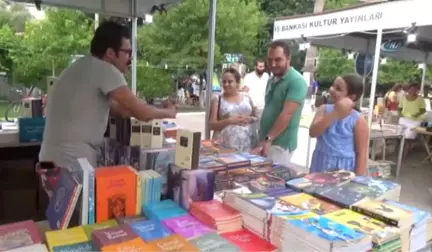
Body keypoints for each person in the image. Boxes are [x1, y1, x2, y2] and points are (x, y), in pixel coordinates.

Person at [39, 21, 177, 168]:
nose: (130, 59)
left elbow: (120, 109)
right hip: (71, 164)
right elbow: (141, 113)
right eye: (127, 52)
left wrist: (152, 107)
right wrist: (170, 112)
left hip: (49, 159)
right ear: (110, 53)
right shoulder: (106, 70)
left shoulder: (81, 66)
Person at [251, 40, 307, 167]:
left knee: (271, 183)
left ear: (289, 58)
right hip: (267, 142)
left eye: (278, 59)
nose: (273, 64)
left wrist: (268, 139)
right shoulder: (272, 79)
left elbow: (287, 114)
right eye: (270, 60)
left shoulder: (297, 81)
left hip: (280, 144)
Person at [308, 74, 369, 175]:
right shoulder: (324, 109)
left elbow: (362, 154)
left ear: (351, 97)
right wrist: (335, 114)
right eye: (333, 85)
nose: (332, 89)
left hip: (344, 169)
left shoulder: (358, 120)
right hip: (321, 163)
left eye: (338, 88)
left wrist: (358, 179)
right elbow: (313, 132)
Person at [209, 68, 258, 152]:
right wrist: (229, 121)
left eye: (230, 81)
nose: (226, 84)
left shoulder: (246, 97)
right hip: (226, 145)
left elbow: (256, 116)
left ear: (237, 83)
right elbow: (212, 124)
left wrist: (250, 119)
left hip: (249, 142)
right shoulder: (217, 99)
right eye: (224, 81)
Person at [398, 83, 426, 157]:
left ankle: (404, 152)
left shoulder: (420, 99)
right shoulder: (403, 98)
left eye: (415, 89)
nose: (413, 91)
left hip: (415, 120)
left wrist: (417, 114)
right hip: (404, 119)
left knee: (408, 136)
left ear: (417, 90)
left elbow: (423, 110)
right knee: (400, 135)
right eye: (412, 89)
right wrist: (400, 114)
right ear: (408, 89)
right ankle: (404, 149)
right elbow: (400, 108)